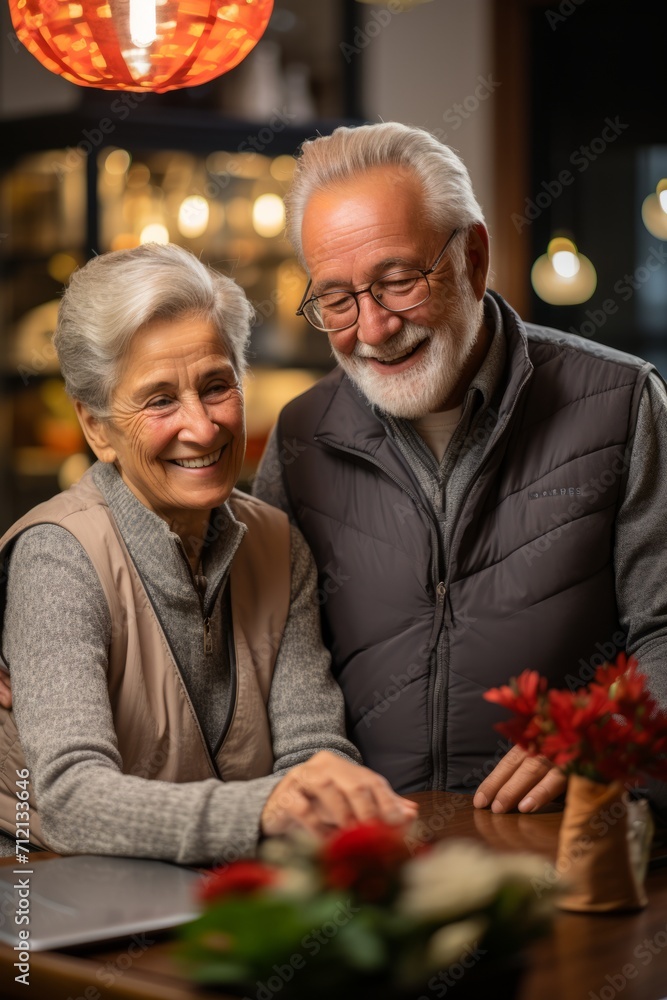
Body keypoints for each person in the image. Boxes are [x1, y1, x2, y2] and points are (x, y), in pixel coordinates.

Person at [252, 121, 667, 813]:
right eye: (336, 299)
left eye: (397, 280)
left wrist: (599, 738)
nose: (374, 328)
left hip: (568, 846)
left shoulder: (621, 402)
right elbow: (247, 636)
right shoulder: (300, 435)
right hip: (373, 864)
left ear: (473, 256)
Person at [0, 242, 415, 862]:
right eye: (160, 399)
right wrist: (267, 809)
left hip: (227, 897)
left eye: (217, 385)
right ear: (95, 427)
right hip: (55, 905)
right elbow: (65, 796)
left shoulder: (278, 541)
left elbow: (312, 748)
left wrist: (335, 798)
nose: (202, 426)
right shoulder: (57, 556)